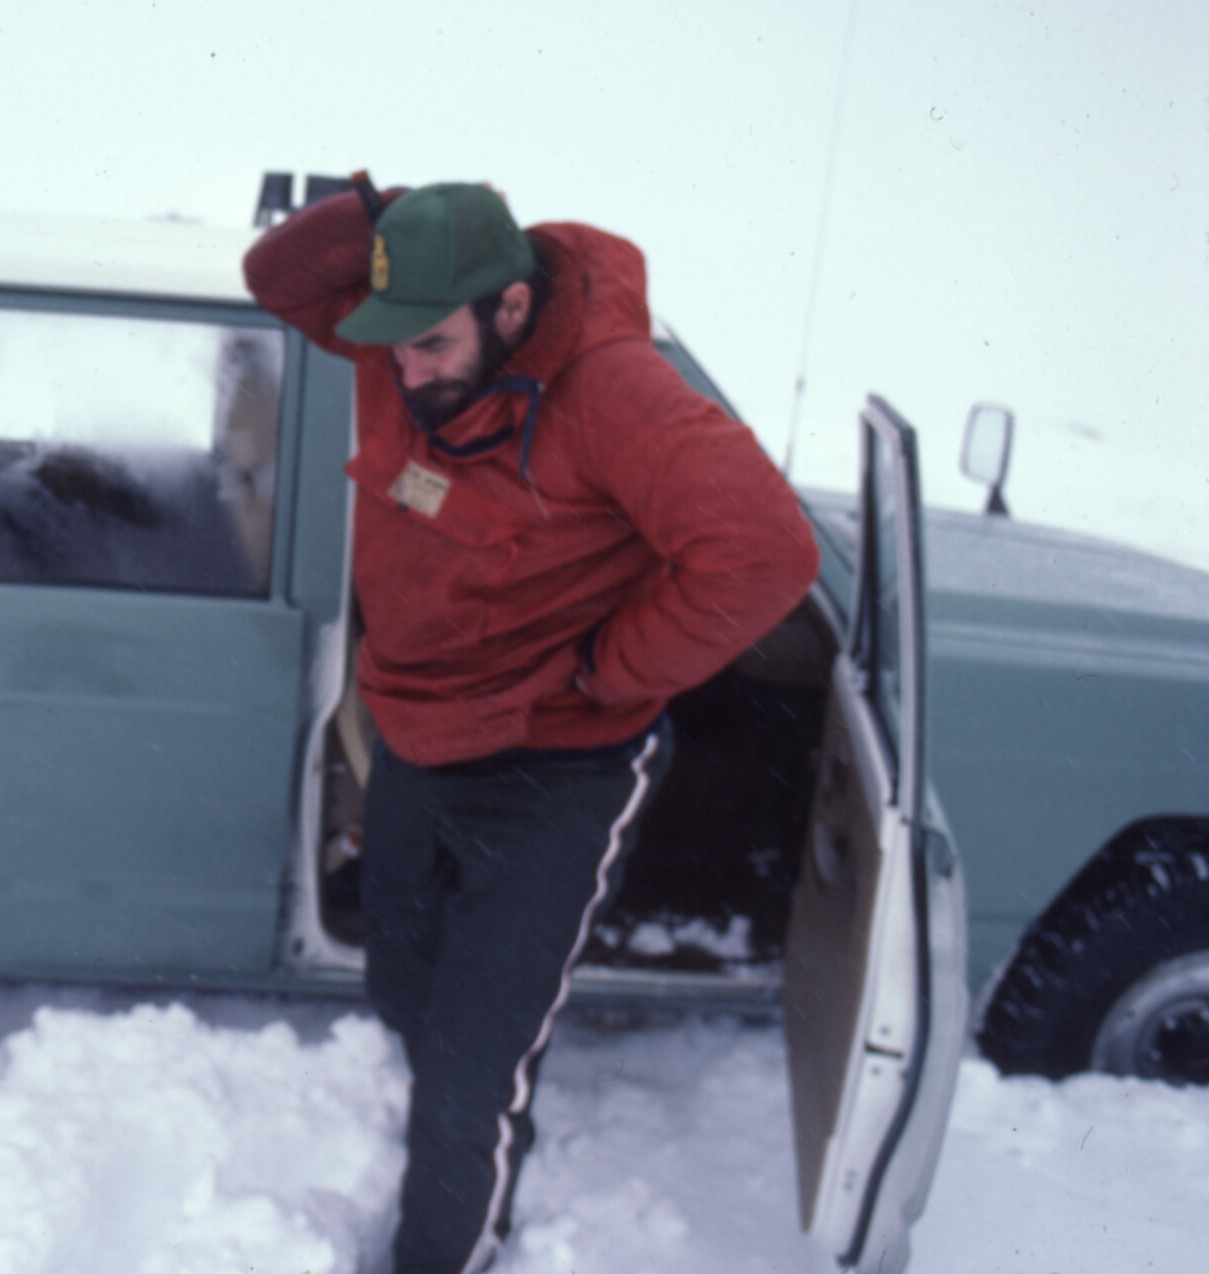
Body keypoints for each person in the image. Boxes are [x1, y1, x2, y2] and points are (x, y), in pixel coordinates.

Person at [244, 180, 819, 1274]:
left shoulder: (614, 392)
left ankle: (451, 1237)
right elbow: (274, 277)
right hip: (417, 738)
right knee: (401, 985)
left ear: (511, 308)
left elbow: (768, 554)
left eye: (430, 342)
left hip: (555, 773)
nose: (403, 370)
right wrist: (400, 229)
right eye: (392, 340)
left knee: (471, 1079)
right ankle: (475, 1095)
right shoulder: (401, 332)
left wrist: (611, 667)